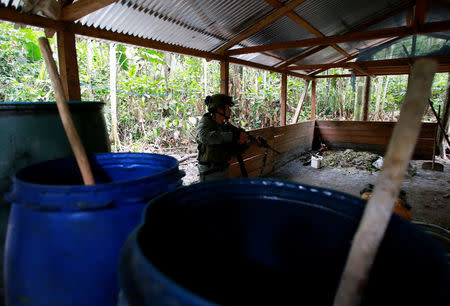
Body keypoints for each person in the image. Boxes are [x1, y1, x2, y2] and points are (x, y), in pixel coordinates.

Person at [196, 94, 249, 182]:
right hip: (209, 172)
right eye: (228, 108)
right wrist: (233, 136)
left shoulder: (225, 125)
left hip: (223, 170)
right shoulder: (205, 121)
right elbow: (205, 137)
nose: (230, 111)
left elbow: (233, 149)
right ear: (219, 109)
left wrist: (243, 142)